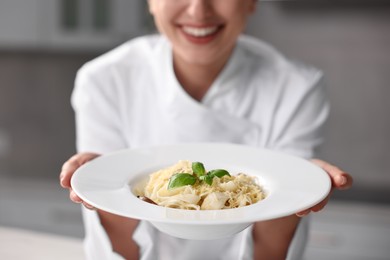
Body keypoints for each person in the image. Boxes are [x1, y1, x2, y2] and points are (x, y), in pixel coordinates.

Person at [60, 0, 353, 259]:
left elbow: (272, 243)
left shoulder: (296, 87)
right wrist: (100, 184)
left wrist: (302, 184)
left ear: (251, 2)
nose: (198, 9)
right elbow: (117, 240)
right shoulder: (105, 81)